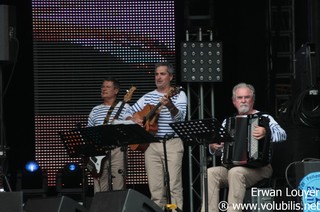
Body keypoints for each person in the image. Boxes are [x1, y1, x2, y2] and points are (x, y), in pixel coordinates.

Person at [201, 82, 287, 212]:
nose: (243, 101)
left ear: (252, 99)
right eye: (240, 98)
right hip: (231, 168)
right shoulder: (228, 122)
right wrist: (214, 146)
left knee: (236, 173)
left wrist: (266, 132)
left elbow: (283, 135)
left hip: (259, 169)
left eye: (247, 97)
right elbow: (220, 152)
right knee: (210, 173)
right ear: (234, 101)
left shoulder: (264, 118)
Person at [123, 62, 187, 211]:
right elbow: (128, 111)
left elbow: (180, 119)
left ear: (170, 77)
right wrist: (133, 119)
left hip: (172, 143)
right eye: (156, 74)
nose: (158, 77)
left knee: (174, 185)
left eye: (162, 74)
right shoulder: (148, 96)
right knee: (156, 188)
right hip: (151, 144)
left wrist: (170, 105)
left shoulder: (179, 94)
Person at [86, 77, 130, 193]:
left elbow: (130, 124)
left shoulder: (124, 107)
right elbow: (88, 131)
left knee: (118, 185)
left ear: (116, 91)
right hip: (98, 151)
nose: (104, 89)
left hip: (117, 150)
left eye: (107, 87)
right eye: (103, 86)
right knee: (100, 187)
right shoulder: (95, 110)